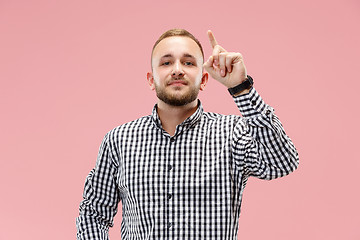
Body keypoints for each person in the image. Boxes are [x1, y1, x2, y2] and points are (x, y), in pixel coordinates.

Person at [76, 29, 299, 240]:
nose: (177, 69)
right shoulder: (119, 141)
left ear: (203, 80)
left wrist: (241, 87)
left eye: (188, 62)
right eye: (166, 62)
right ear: (151, 80)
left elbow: (282, 163)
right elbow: (93, 214)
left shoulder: (233, 133)